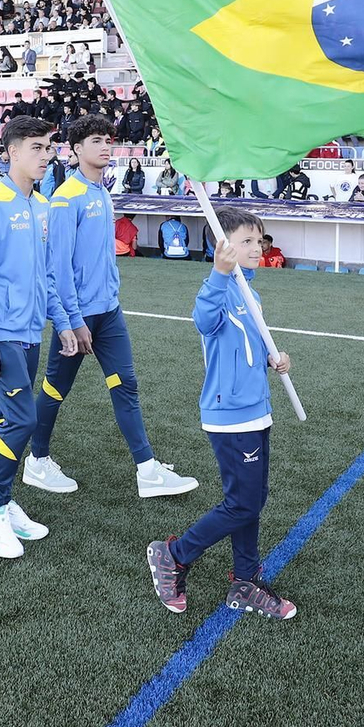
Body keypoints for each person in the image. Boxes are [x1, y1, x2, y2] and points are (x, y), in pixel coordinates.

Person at [24, 114, 197, 500]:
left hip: (109, 313)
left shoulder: (103, 192)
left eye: (108, 140)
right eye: (97, 141)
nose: (106, 147)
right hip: (79, 317)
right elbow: (58, 270)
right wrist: (70, 321)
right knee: (55, 389)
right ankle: (36, 460)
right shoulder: (66, 198)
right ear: (77, 149)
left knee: (126, 385)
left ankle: (147, 470)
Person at [143, 204, 297, 619]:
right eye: (246, 241)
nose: (256, 247)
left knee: (252, 499)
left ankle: (245, 580)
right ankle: (174, 554)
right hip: (229, 414)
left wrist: (274, 358)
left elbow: (251, 342)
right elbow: (204, 321)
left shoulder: (251, 292)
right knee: (242, 503)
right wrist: (219, 273)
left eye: (258, 240)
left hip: (257, 409)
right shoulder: (220, 288)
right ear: (223, 246)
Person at [0, 116, 79, 559]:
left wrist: (63, 323)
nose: (46, 156)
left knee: (7, 418)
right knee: (23, 419)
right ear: (10, 151)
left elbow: (47, 277)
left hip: (30, 331)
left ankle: (3, 502)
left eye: (49, 148)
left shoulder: (43, 206)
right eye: (36, 147)